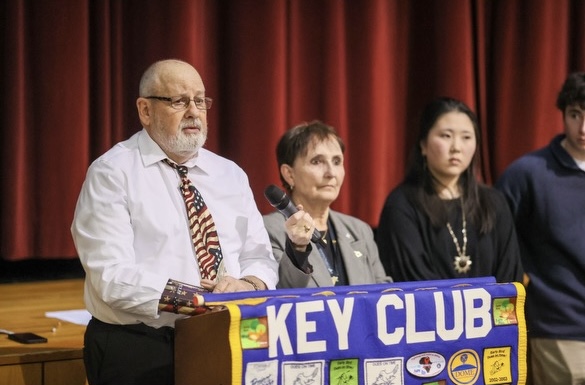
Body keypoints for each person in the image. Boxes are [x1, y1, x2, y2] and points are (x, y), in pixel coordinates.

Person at [71, 59, 278, 385]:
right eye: (179, 101)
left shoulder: (230, 175)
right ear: (145, 110)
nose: (194, 112)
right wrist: (200, 301)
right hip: (140, 347)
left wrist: (248, 285)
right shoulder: (113, 173)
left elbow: (259, 256)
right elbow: (112, 277)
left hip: (227, 337)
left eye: (200, 100)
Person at [495, 72, 585, 385]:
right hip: (558, 328)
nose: (583, 128)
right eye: (576, 115)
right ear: (563, 115)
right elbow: (497, 240)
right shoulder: (527, 173)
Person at [376, 97, 523, 283]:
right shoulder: (402, 205)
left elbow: (509, 276)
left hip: (492, 312)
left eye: (466, 137)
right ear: (423, 144)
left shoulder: (493, 202)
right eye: (446, 136)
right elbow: (415, 286)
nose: (456, 147)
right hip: (431, 312)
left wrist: (496, 313)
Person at [262, 120, 391, 288]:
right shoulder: (268, 230)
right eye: (317, 161)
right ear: (289, 174)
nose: (331, 173)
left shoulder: (360, 230)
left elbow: (384, 290)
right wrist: (298, 247)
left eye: (337, 161)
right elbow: (284, 293)